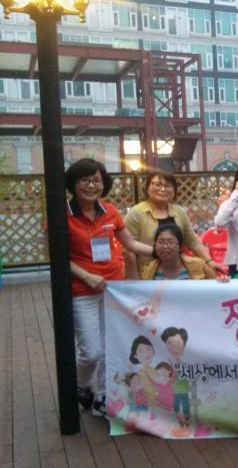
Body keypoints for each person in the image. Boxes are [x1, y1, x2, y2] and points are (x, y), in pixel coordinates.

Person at [65, 158, 154, 418]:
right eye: (85, 180)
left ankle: (104, 395)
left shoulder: (110, 211)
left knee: (110, 346)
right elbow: (56, 256)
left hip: (113, 288)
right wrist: (86, 276)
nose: (91, 185)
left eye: (96, 180)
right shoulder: (62, 214)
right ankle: (83, 385)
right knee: (90, 352)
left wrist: (163, 252)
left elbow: (131, 244)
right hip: (82, 290)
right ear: (74, 184)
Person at [124, 169, 219, 277]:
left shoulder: (179, 212)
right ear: (147, 188)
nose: (163, 189)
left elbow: (192, 241)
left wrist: (209, 261)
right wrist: (135, 279)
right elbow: (128, 249)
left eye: (168, 185)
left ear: (174, 191)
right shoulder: (136, 213)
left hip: (178, 273)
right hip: (146, 274)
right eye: (158, 185)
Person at [139, 223, 220, 280]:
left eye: (171, 242)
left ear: (180, 246)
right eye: (161, 242)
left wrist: (222, 280)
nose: (165, 246)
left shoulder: (199, 266)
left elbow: (216, 285)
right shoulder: (147, 271)